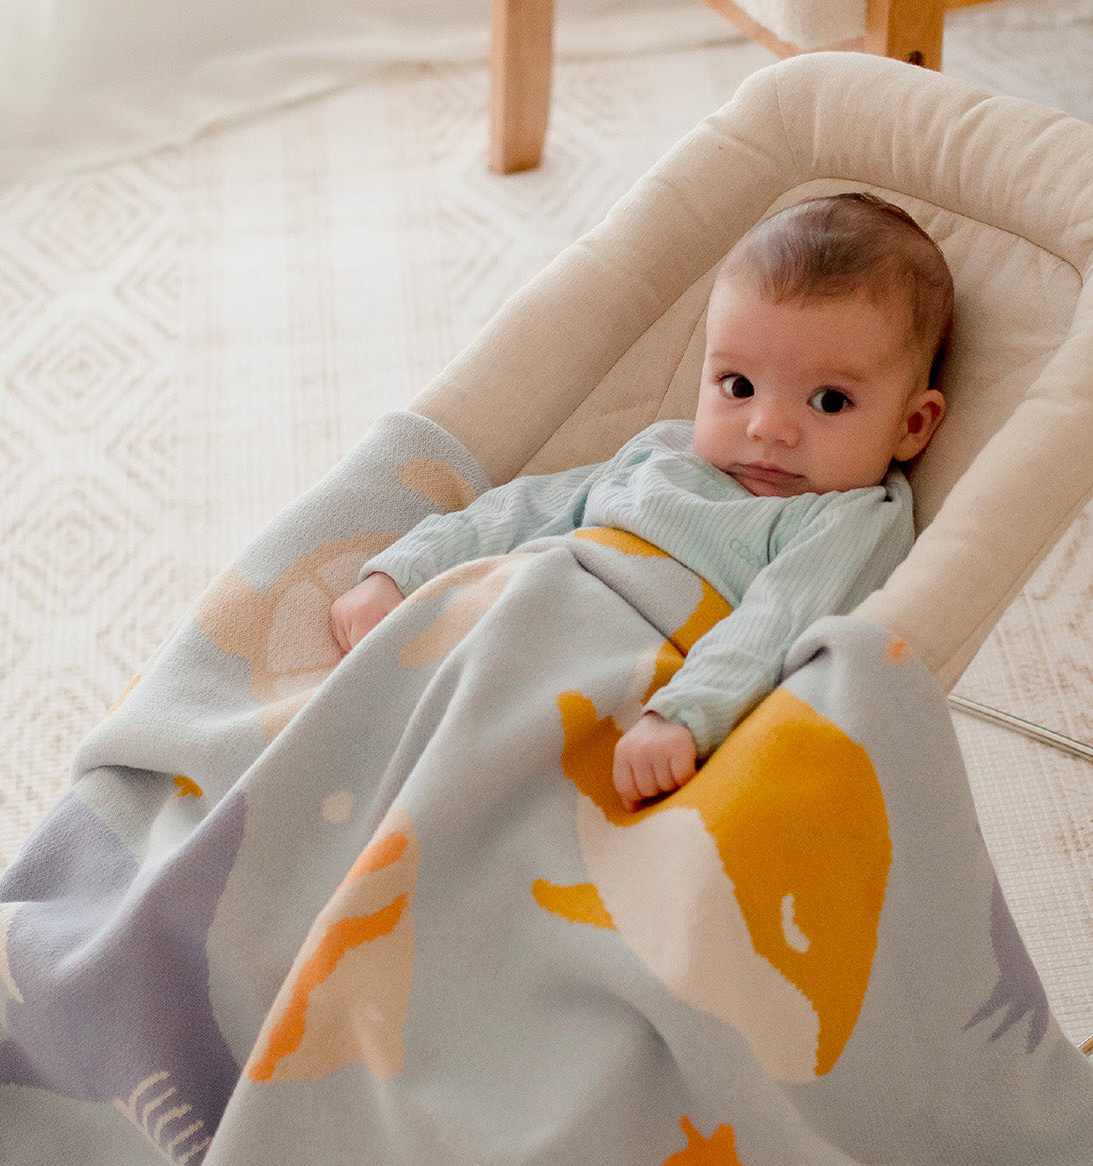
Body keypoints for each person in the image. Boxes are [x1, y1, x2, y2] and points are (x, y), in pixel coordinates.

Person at [330, 193, 952, 810]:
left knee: (462, 796)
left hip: (616, 684)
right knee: (359, 742)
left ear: (913, 425)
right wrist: (404, 570)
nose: (768, 427)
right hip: (500, 620)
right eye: (738, 387)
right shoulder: (665, 454)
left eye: (829, 402)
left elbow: (778, 620)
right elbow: (534, 508)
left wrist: (684, 716)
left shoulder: (848, 517)